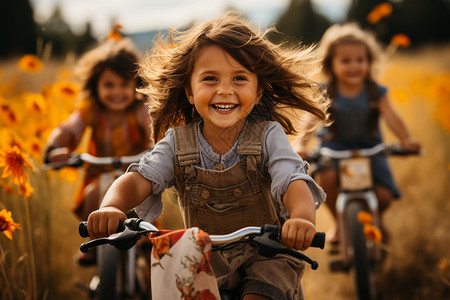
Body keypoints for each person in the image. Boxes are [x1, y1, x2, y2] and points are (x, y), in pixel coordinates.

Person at [87, 12, 330, 300]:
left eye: (239, 78)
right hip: (203, 259)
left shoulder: (268, 136)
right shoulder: (178, 142)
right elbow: (141, 177)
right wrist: (112, 207)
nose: (224, 90)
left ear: (258, 89)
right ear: (190, 91)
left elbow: (291, 179)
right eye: (210, 79)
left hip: (268, 256)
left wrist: (301, 217)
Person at [294, 23, 421, 244]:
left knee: (384, 196)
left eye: (360, 60)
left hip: (370, 150)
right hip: (334, 150)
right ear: (331, 64)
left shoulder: (374, 91)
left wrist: (406, 139)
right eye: (346, 61)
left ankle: (376, 218)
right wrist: (300, 143)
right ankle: (340, 222)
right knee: (327, 178)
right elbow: (310, 118)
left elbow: (393, 117)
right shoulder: (327, 91)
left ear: (368, 62)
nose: (354, 66)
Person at [44, 37, 153, 263]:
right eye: (108, 85)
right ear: (96, 85)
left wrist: (156, 148)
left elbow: (156, 131)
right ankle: (96, 244)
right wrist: (57, 147)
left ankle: (146, 247)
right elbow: (68, 129)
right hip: (100, 173)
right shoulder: (91, 110)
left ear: (136, 85)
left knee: (147, 225)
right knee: (92, 194)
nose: (117, 92)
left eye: (124, 84)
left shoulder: (140, 109)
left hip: (138, 174)